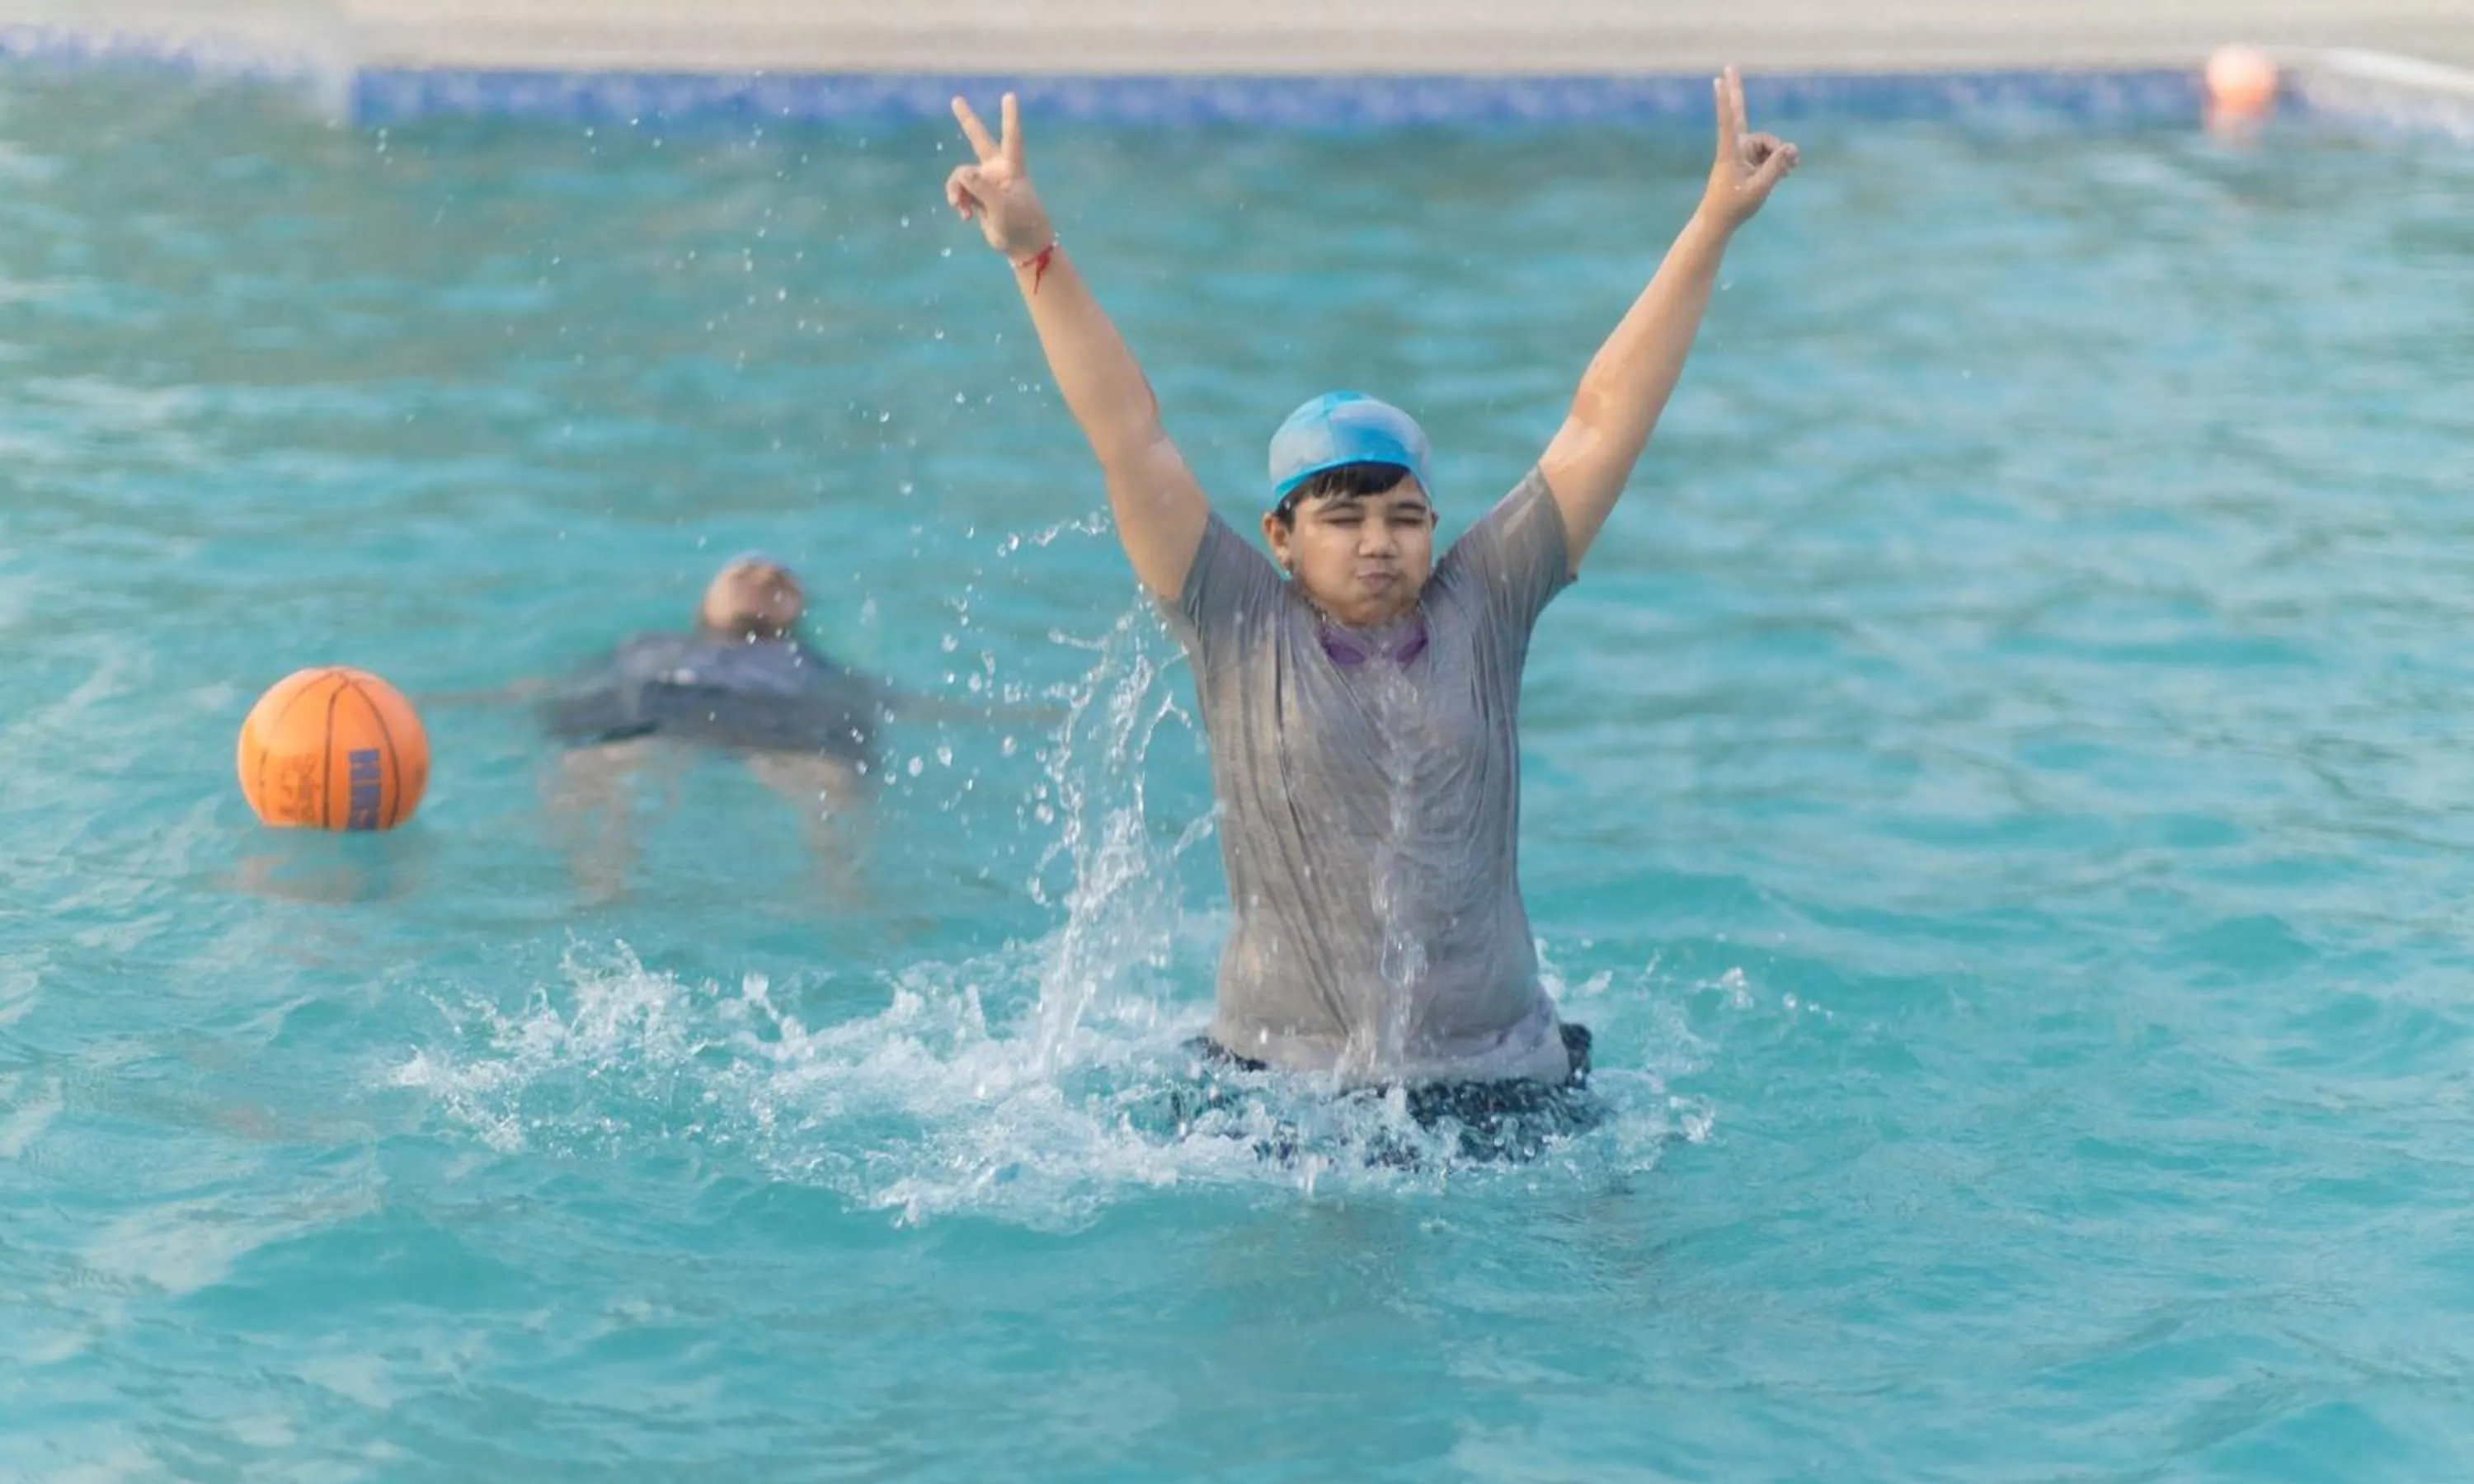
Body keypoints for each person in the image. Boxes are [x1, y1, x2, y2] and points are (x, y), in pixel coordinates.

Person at [941, 73, 1797, 1146]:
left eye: (1404, 516)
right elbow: (1130, 434)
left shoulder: (1487, 602)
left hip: (1503, 1068)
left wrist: (1713, 223)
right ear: (1280, 536)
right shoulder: (1236, 621)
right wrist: (1035, 254)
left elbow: (1601, 418)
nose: (1379, 543)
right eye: (1343, 519)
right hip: (1277, 1080)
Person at [540, 556, 890, 899]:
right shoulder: (807, 662)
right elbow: (874, 699)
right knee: (830, 789)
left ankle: (596, 878)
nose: (761, 577)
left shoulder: (651, 645)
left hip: (665, 698)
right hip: (776, 713)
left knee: (596, 769)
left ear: (706, 607)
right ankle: (842, 885)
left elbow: (570, 685)